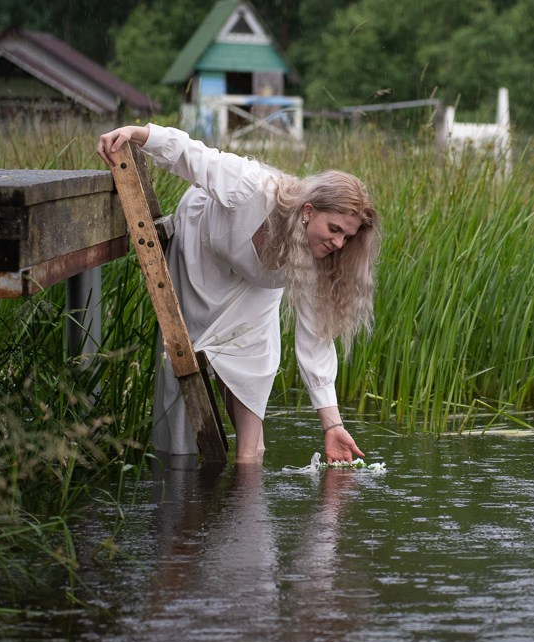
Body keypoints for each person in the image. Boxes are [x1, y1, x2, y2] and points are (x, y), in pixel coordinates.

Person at [97, 123, 380, 465]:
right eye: (334, 229)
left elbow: (316, 340)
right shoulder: (250, 187)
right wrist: (137, 133)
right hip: (203, 253)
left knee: (255, 363)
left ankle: (248, 476)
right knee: (186, 354)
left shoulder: (321, 256)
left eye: (347, 237)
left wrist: (332, 426)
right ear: (307, 212)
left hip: (255, 291)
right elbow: (193, 155)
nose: (338, 242)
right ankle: (184, 471)